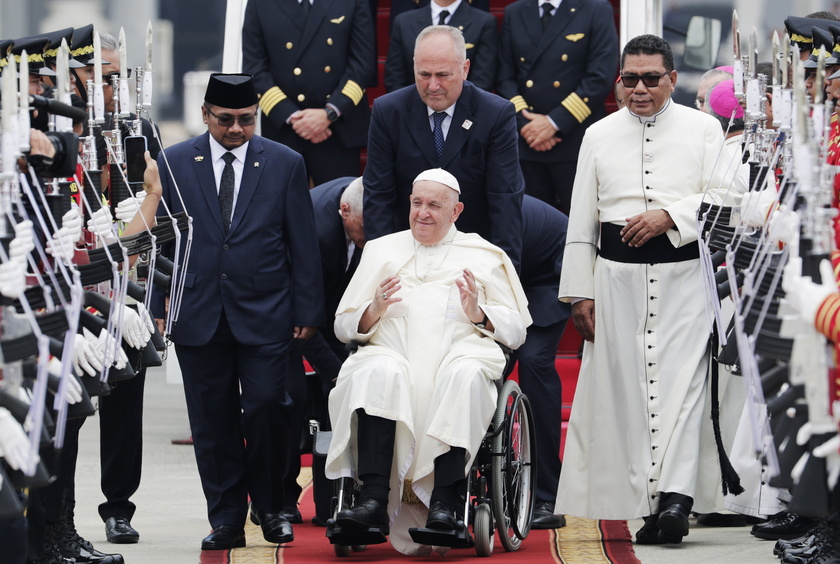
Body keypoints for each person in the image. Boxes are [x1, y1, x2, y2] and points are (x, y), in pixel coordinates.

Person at [556, 34, 730, 546]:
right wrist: (578, 293)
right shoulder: (598, 134)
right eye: (629, 78)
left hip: (683, 281)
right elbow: (581, 220)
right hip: (616, 282)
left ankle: (676, 497)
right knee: (628, 398)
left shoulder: (703, 130)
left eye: (651, 78)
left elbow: (726, 199)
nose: (639, 89)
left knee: (683, 389)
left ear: (673, 79)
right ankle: (648, 506)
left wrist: (670, 216)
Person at [153, 73, 324, 550]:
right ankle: (226, 516)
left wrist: (307, 308)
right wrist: (158, 304)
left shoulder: (285, 163)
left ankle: (271, 507)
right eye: (225, 120)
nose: (235, 129)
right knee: (212, 420)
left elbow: (302, 243)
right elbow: (162, 244)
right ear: (205, 114)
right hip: (198, 311)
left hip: (268, 311)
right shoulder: (175, 162)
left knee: (271, 406)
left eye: (246, 120)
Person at [325, 168, 531, 555]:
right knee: (375, 370)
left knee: (465, 376)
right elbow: (342, 325)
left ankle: (446, 504)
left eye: (434, 205)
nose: (422, 212)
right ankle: (371, 501)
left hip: (458, 358)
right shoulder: (381, 249)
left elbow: (516, 330)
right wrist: (373, 309)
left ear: (456, 211)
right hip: (393, 355)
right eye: (416, 203)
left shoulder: (484, 256)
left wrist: (478, 312)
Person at [363, 25, 525, 270]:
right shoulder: (388, 112)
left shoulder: (495, 114)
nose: (433, 85)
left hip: (473, 248)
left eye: (443, 75)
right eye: (424, 74)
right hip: (407, 248)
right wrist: (379, 267)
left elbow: (504, 201)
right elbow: (379, 196)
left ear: (465, 69)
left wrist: (503, 273)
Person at [284, 176, 366, 526]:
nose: (374, 235)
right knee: (290, 403)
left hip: (336, 316)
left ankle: (340, 497)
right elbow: (302, 321)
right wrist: (336, 373)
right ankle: (280, 498)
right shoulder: (315, 231)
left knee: (342, 398)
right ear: (344, 212)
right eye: (366, 227)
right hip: (286, 317)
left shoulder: (366, 210)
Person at [495, 0, 618, 213]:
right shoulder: (515, 11)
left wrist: (553, 123)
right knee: (531, 227)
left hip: (576, 140)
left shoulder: (595, 9)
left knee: (581, 225)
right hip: (528, 142)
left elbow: (600, 77)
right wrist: (525, 123)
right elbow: (504, 77)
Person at [241, 0, 376, 186]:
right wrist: (293, 116)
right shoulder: (260, 3)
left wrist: (330, 113)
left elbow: (363, 65)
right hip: (286, 130)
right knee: (283, 212)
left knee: (338, 211)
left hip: (337, 131)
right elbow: (254, 68)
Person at [514, 195, 570, 529]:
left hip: (550, 272)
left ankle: (546, 493)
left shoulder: (499, 206)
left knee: (533, 361)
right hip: (507, 277)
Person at [384, 0, 497, 93]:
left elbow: (482, 79)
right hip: (412, 110)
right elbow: (394, 77)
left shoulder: (484, 22)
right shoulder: (404, 22)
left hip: (464, 110)